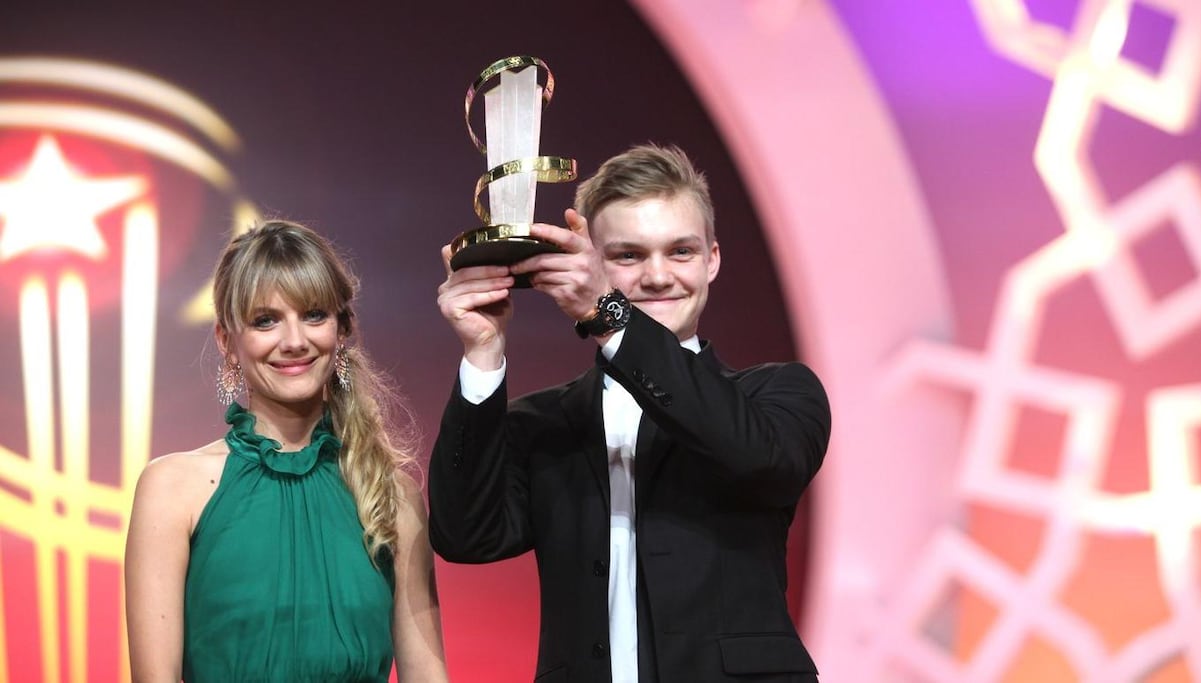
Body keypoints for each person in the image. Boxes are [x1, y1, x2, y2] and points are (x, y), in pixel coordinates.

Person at [430, 144, 830, 682]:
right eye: (628, 256)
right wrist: (483, 353)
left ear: (712, 259)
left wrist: (610, 316)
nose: (658, 277)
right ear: (590, 262)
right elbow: (467, 537)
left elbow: (759, 461)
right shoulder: (545, 422)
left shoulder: (778, 394)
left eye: (681, 252)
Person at [125, 220, 448, 682]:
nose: (294, 341)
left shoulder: (390, 494)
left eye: (314, 314)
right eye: (265, 320)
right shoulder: (172, 489)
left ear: (341, 331)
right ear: (227, 341)